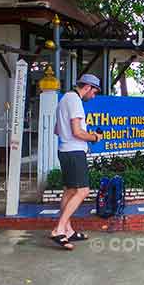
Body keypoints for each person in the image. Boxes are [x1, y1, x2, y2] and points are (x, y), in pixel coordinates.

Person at [50, 74, 104, 250]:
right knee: (83, 190)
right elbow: (77, 132)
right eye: (94, 92)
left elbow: (58, 130)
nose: (93, 96)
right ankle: (58, 230)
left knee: (70, 190)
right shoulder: (75, 101)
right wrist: (94, 137)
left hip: (64, 151)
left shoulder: (64, 98)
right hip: (74, 152)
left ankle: (68, 230)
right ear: (87, 87)